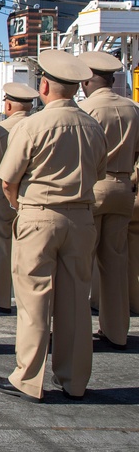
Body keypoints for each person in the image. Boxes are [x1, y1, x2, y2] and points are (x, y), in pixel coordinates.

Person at [0, 50, 106, 402]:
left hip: (40, 214)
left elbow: (8, 180)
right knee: (75, 302)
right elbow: (99, 172)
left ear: (43, 85)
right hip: (82, 217)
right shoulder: (92, 125)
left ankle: (28, 378)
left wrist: (19, 206)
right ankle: (74, 380)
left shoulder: (32, 125)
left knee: (34, 301)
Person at [77, 50, 139, 350]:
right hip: (124, 186)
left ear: (87, 79)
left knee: (80, 264)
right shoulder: (133, 108)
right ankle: (116, 332)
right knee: (116, 263)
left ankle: (75, 330)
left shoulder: (87, 110)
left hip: (93, 187)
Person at [0, 82, 38, 314]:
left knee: (2, 245)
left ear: (8, 104)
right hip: (33, 193)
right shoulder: (40, 124)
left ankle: (1, 297)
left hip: (4, 189)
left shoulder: (0, 129)